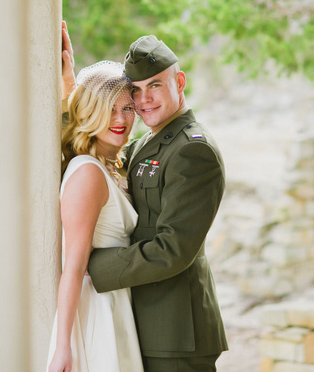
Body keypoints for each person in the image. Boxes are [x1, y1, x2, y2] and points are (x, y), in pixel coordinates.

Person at [61, 22, 228, 371]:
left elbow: (173, 249)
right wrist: (68, 91)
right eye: (135, 91)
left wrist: (91, 266)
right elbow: (90, 141)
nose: (143, 100)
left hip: (176, 329)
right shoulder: (141, 146)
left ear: (179, 83)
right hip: (141, 320)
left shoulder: (192, 150)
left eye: (155, 85)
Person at [47, 59, 144, 372]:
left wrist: (67, 81)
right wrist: (63, 346)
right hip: (98, 310)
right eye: (109, 109)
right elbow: (73, 267)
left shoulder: (109, 164)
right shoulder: (88, 174)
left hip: (117, 302)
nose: (120, 119)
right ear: (91, 112)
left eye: (128, 108)